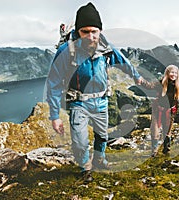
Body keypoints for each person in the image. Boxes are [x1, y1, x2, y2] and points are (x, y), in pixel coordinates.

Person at [46, 2, 143, 183]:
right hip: (78, 103)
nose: (90, 37)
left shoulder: (106, 47)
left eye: (94, 31)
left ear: (100, 31)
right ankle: (85, 168)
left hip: (101, 101)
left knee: (102, 135)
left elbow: (123, 61)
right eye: (85, 32)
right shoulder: (66, 50)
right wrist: (54, 116)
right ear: (78, 31)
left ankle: (100, 159)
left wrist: (136, 77)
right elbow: (53, 83)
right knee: (80, 141)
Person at [142, 65, 179, 157]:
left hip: (170, 112)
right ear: (167, 73)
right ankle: (154, 150)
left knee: (167, 131)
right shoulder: (160, 83)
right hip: (157, 110)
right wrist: (140, 80)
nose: (173, 75)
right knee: (155, 130)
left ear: (177, 75)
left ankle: (166, 149)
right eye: (171, 72)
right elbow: (149, 86)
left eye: (175, 73)